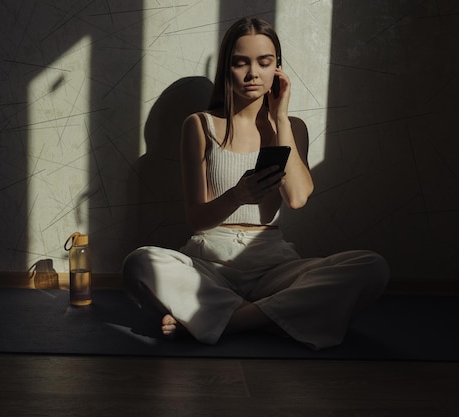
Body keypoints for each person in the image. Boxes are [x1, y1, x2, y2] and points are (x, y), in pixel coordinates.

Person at [122, 17, 389, 350]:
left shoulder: (293, 127)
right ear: (226, 69)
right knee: (139, 262)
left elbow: (297, 198)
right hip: (210, 265)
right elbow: (196, 220)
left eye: (264, 63)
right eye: (240, 63)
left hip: (273, 267)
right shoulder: (200, 125)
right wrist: (237, 195)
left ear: (277, 68)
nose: (253, 74)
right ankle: (272, 320)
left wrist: (279, 119)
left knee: (371, 267)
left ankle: (225, 321)